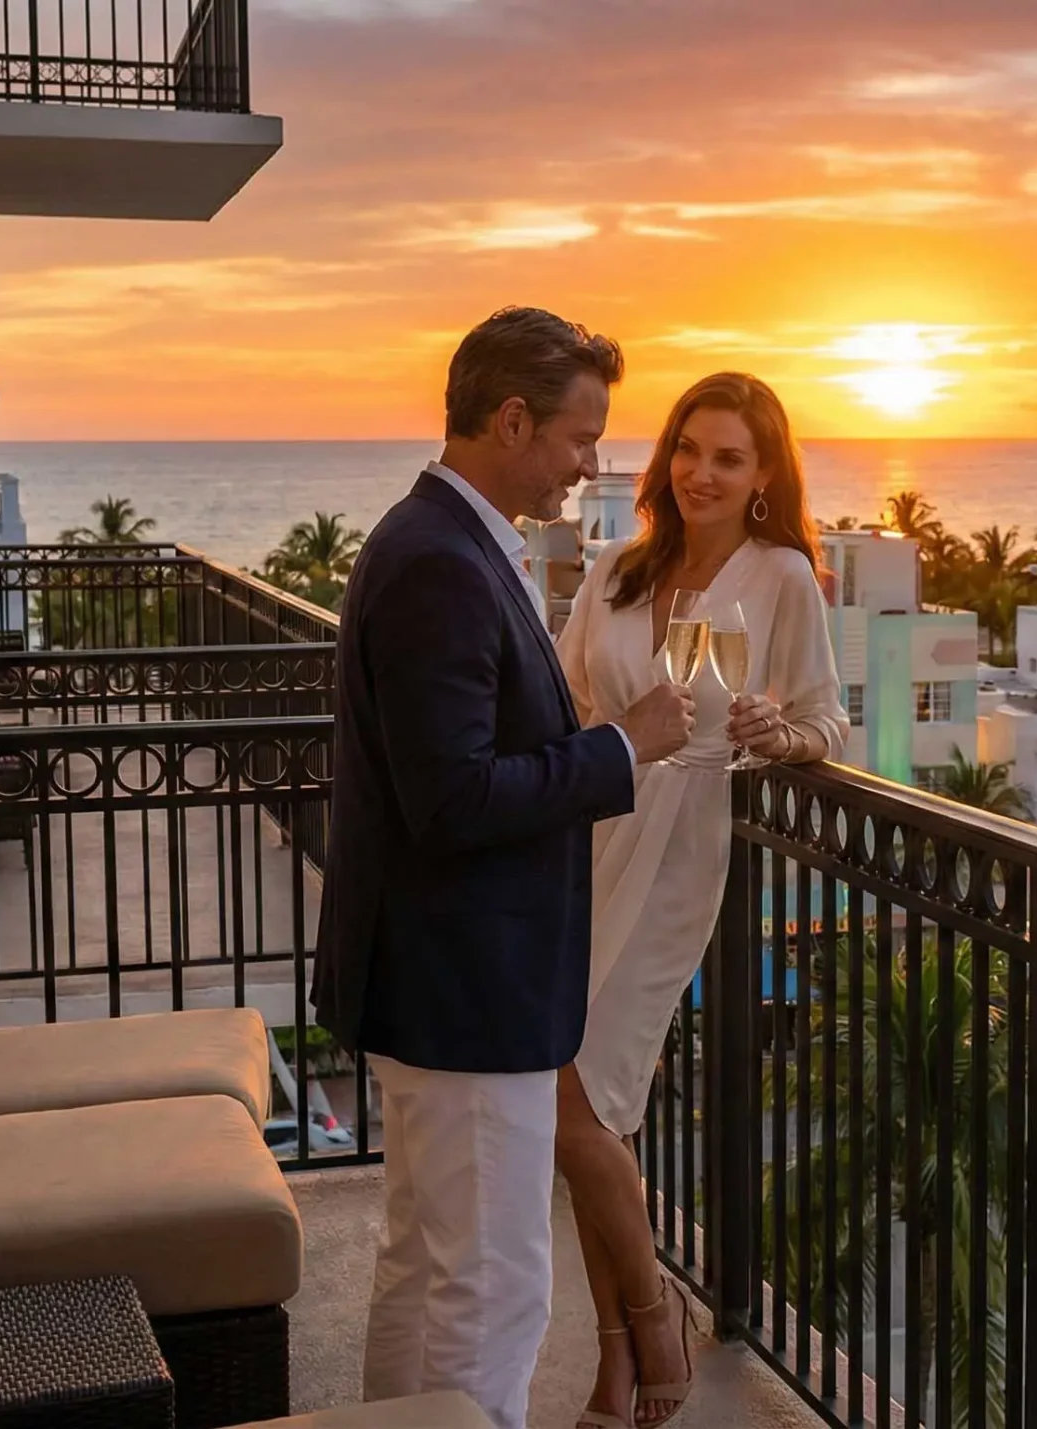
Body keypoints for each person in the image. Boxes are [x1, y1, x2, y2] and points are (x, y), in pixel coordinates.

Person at [312, 308, 696, 1429]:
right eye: (581, 438)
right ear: (512, 418)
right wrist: (625, 745)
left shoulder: (448, 540)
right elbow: (455, 798)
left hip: (440, 979)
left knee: (424, 1266)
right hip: (466, 989)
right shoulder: (439, 560)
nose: (591, 463)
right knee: (494, 1286)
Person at [553, 372, 849, 1428]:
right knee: (583, 1109)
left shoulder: (779, 580)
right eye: (688, 448)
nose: (702, 472)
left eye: (729, 456)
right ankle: (625, 1345)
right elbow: (573, 697)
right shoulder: (623, 573)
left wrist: (779, 732)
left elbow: (825, 723)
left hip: (682, 846)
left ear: (764, 474)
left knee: (580, 1097)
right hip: (589, 834)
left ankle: (649, 1314)